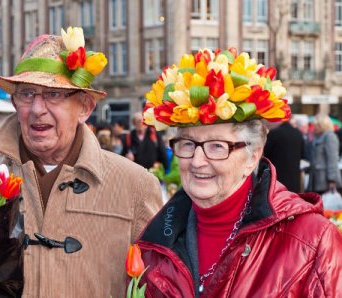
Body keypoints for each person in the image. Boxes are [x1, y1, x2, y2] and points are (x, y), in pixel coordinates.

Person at [133, 49, 342, 297]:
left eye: (217, 147)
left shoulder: (312, 240)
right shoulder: (154, 245)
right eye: (188, 144)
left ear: (252, 157)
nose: (198, 161)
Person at [0, 27, 163, 297]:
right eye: (27, 94)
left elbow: (158, 285)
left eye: (54, 94)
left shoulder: (135, 186)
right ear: (16, 103)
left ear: (85, 107)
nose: (38, 109)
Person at [264, 121, 304, 193]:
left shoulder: (274, 133)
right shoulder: (298, 134)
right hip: (293, 179)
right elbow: (303, 154)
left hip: (277, 179)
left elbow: (266, 155)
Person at [307, 113, 342, 194]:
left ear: (322, 125)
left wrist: (332, 180)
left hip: (325, 180)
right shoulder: (318, 136)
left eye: (316, 125)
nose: (314, 128)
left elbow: (332, 159)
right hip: (316, 178)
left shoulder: (330, 136)